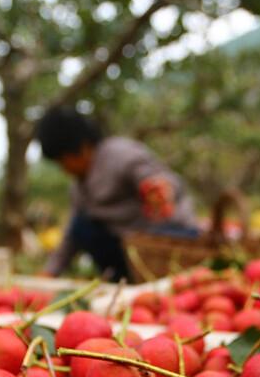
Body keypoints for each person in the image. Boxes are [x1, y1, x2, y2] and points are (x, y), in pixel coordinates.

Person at [36, 106, 198, 280]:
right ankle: (123, 280)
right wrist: (50, 272)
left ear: (82, 147)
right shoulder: (78, 188)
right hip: (128, 252)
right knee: (81, 226)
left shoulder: (120, 154)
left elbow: (157, 178)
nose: (64, 169)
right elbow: (71, 238)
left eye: (63, 160)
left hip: (167, 239)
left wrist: (159, 190)